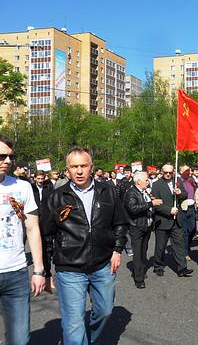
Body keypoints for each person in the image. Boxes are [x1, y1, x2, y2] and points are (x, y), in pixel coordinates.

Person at [43, 147, 128, 345]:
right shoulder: (56, 197)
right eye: (74, 166)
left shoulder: (108, 192)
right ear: (67, 169)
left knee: (105, 311)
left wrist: (117, 249)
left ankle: (89, 340)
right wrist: (46, 271)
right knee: (73, 324)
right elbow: (47, 236)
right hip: (69, 269)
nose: (79, 171)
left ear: (92, 167)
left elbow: (121, 223)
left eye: (83, 166)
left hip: (103, 265)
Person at [0, 134, 46, 345]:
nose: (8, 162)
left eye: (10, 157)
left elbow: (32, 228)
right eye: (2, 157)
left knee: (19, 340)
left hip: (16, 274)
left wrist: (38, 270)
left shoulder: (22, 187)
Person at [151, 163, 193, 277]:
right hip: (163, 220)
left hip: (176, 220)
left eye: (170, 172)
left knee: (179, 245)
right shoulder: (156, 185)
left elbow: (185, 194)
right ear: (162, 172)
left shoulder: (177, 181)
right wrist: (169, 210)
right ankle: (158, 266)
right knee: (161, 246)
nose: (168, 174)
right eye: (166, 172)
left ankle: (182, 268)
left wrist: (180, 193)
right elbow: (155, 204)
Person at [124, 171, 162, 289]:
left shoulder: (143, 191)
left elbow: (144, 203)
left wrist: (151, 200)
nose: (148, 181)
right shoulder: (131, 192)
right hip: (137, 226)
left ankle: (138, 270)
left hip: (147, 225)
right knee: (137, 252)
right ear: (138, 181)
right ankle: (139, 278)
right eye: (146, 180)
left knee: (143, 250)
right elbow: (133, 208)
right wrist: (151, 203)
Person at [32, 170, 55, 292]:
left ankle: (48, 273)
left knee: (48, 248)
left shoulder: (49, 187)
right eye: (38, 179)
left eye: (42, 178)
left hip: (47, 221)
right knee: (38, 248)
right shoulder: (31, 188)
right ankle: (42, 273)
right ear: (34, 178)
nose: (40, 181)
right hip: (34, 221)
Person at [179, 165, 198, 260]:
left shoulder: (191, 181)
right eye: (186, 171)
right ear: (181, 171)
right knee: (185, 231)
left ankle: (186, 245)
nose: (189, 172)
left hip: (192, 208)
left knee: (193, 229)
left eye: (189, 170)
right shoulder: (178, 181)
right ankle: (185, 251)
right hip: (184, 208)